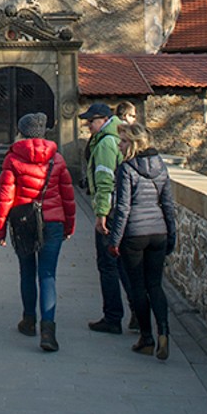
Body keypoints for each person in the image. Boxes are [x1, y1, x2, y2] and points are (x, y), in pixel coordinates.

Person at [0, 112, 76, 353]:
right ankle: (48, 330)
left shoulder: (13, 158)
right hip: (54, 222)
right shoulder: (57, 159)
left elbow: (5, 196)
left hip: (25, 222)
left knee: (27, 271)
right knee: (48, 274)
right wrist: (69, 226)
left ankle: (29, 320)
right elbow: (68, 196)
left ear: (21, 132)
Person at [107, 123, 176, 360]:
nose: (119, 144)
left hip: (134, 234)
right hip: (158, 232)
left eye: (124, 141)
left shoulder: (126, 168)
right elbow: (168, 205)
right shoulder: (161, 167)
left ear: (135, 143)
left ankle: (147, 338)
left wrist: (114, 240)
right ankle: (164, 332)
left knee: (138, 286)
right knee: (155, 285)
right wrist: (172, 235)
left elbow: (122, 208)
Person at [82, 101, 126, 335]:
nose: (88, 125)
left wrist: (101, 213)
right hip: (122, 209)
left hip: (110, 211)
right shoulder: (116, 137)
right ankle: (138, 316)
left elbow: (105, 179)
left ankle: (113, 317)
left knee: (108, 265)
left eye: (91, 121)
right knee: (124, 266)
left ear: (103, 120)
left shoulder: (106, 143)